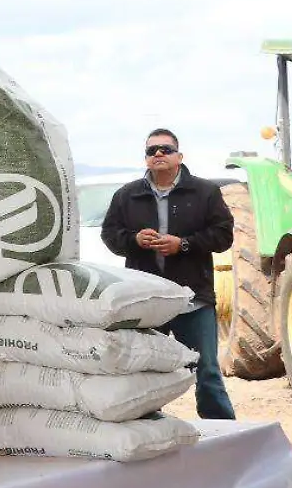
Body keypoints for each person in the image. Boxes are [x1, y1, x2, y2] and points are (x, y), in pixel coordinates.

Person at [99, 129, 236, 419]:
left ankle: (224, 436)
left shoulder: (205, 192)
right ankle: (147, 436)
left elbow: (223, 236)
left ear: (179, 156)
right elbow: (110, 235)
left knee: (206, 371)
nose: (158, 154)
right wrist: (134, 240)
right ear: (146, 159)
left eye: (165, 149)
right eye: (152, 151)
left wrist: (183, 244)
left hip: (193, 301)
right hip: (146, 303)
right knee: (144, 374)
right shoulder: (127, 196)